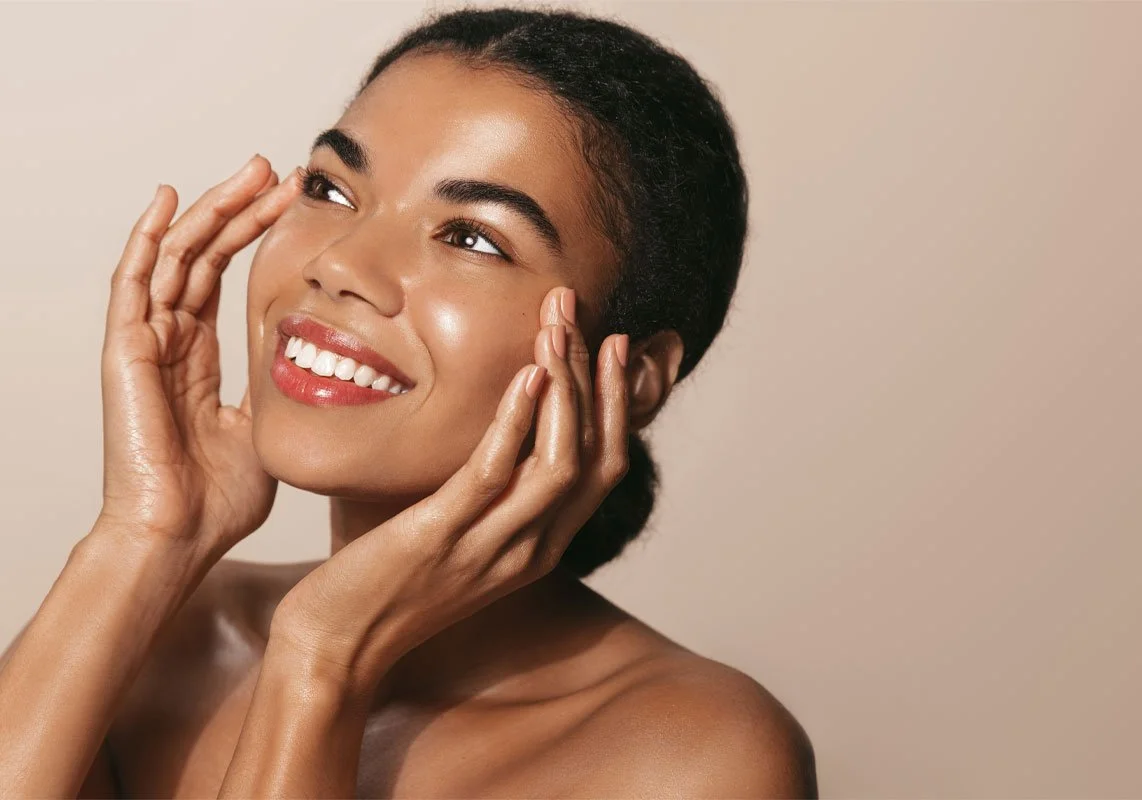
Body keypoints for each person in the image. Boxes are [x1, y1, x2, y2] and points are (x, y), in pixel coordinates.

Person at [0, 6, 817, 797]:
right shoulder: (162, 641)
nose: (342, 263)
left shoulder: (693, 759)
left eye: (470, 237)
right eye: (331, 189)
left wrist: (325, 658)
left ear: (631, 376)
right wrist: (144, 535)